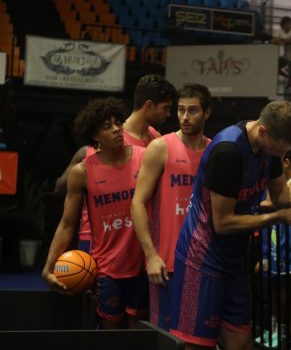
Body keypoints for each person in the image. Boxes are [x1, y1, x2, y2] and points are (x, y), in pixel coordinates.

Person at [169, 100, 291, 349]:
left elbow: (281, 196)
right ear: (263, 131)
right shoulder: (227, 151)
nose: (281, 156)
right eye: (279, 150)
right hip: (201, 259)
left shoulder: (270, 148)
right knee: (196, 345)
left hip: (234, 260)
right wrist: (280, 216)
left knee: (241, 342)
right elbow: (223, 223)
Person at [42, 97, 148, 329]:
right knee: (110, 335)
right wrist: (48, 266)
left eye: (118, 123)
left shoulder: (145, 157)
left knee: (138, 335)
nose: (117, 129)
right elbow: (68, 224)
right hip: (107, 268)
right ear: (95, 136)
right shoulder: (83, 172)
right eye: (107, 126)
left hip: (143, 264)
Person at [54, 74, 177, 253]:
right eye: (165, 108)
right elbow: (61, 188)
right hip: (100, 237)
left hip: (136, 237)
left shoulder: (155, 140)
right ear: (149, 105)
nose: (168, 114)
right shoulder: (106, 142)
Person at [131, 83, 212, 329]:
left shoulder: (214, 150)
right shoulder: (161, 147)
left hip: (203, 261)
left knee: (196, 337)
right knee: (164, 335)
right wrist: (151, 256)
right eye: (180, 110)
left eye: (193, 111)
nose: (185, 117)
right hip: (166, 263)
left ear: (207, 113)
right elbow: (137, 203)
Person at [258, 143, 291, 346]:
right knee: (280, 291)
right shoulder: (290, 183)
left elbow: (273, 202)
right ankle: (280, 332)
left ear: (285, 162)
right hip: (278, 247)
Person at [272, 16, 291, 87]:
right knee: (275, 67)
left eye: (290, 24)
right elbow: (273, 40)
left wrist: (281, 39)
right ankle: (288, 77)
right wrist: (284, 40)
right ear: (283, 25)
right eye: (288, 24)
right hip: (286, 56)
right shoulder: (279, 31)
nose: (290, 25)